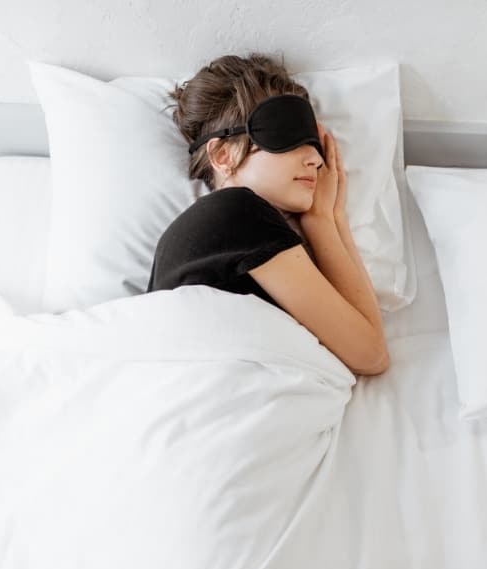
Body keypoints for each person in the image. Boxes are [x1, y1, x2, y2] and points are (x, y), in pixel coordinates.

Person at [147, 52, 390, 376]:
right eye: (288, 135)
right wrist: (322, 221)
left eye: (315, 145)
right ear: (223, 155)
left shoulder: (209, 230)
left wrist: (333, 216)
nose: (316, 160)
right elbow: (370, 355)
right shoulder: (237, 212)